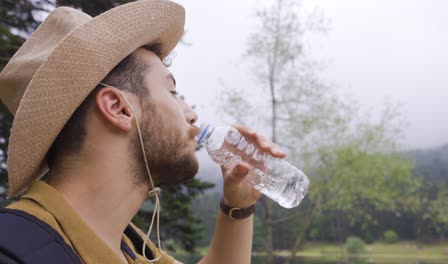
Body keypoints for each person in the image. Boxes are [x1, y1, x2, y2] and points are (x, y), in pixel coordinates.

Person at [0, 0, 286, 263]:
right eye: (172, 91)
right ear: (118, 108)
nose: (191, 113)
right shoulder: (14, 252)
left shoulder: (132, 247)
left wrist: (239, 205)